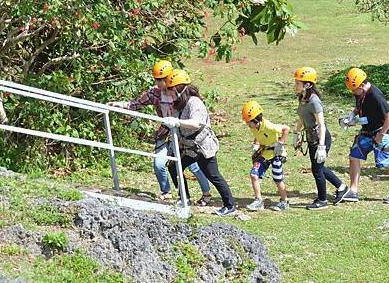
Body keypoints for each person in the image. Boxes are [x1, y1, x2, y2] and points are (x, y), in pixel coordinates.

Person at [108, 61, 212, 205]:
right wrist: (121, 104)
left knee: (193, 166)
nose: (158, 83)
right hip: (165, 133)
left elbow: (195, 113)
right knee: (159, 164)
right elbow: (137, 104)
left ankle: (206, 194)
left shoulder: (180, 93)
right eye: (156, 80)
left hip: (183, 135)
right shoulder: (154, 93)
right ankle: (167, 192)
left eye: (161, 80)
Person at [162, 69, 236, 216]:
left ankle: (230, 205)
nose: (168, 93)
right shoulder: (178, 105)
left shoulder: (194, 103)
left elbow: (195, 123)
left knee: (213, 175)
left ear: (178, 88)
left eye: (169, 89)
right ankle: (185, 197)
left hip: (203, 147)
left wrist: (177, 122)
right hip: (189, 148)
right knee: (173, 167)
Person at [338, 68, 389, 204]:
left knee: (386, 162)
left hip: (380, 132)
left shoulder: (375, 96)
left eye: (354, 89)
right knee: (354, 156)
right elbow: (359, 106)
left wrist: (381, 135)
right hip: (366, 132)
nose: (353, 92)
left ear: (362, 85)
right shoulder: (359, 92)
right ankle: (353, 191)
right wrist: (351, 116)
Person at [293, 67, 349, 210]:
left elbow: (321, 125)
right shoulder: (302, 98)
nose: (295, 85)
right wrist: (296, 133)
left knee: (317, 169)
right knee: (318, 167)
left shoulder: (314, 101)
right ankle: (341, 187)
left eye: (298, 83)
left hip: (320, 139)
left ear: (308, 84)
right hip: (311, 138)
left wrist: (322, 146)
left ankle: (322, 200)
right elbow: (301, 117)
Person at [242, 100, 290, 212]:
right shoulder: (254, 127)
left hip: (275, 155)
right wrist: (256, 143)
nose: (247, 124)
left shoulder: (269, 126)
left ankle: (284, 201)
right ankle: (258, 201)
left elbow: (286, 128)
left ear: (256, 120)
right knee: (254, 174)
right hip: (264, 154)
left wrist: (281, 142)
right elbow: (258, 135)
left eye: (249, 122)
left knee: (278, 179)